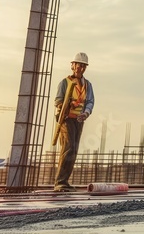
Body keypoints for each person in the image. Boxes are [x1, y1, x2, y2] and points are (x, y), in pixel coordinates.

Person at [53, 52, 94, 192]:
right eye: (79, 65)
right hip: (66, 119)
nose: (81, 68)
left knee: (74, 150)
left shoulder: (87, 85)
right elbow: (58, 100)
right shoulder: (64, 83)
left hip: (78, 120)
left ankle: (64, 181)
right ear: (73, 66)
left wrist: (86, 113)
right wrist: (65, 105)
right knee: (68, 148)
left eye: (83, 66)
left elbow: (90, 102)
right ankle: (60, 182)